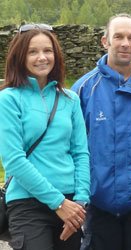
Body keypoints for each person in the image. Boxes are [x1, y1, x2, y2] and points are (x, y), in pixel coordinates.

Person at [71, 14, 131, 250]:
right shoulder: (82, 89)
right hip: (98, 204)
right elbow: (71, 147)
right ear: (105, 41)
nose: (125, 43)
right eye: (118, 36)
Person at [0, 23, 89, 250]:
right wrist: (58, 203)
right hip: (28, 204)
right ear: (20, 57)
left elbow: (81, 153)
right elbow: (14, 160)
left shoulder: (70, 99)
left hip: (70, 204)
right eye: (33, 51)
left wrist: (79, 201)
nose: (42, 57)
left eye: (47, 51)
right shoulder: (8, 99)